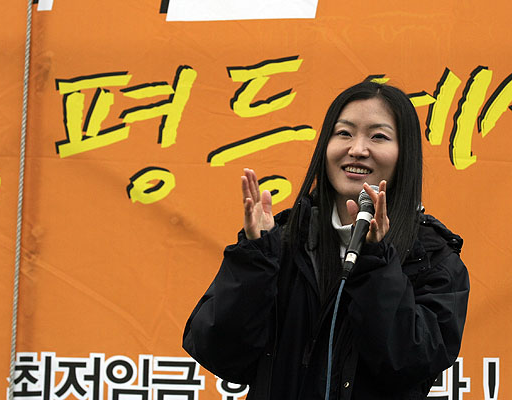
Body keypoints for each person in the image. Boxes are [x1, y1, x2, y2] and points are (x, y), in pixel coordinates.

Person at [183, 79, 470, 399]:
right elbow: (218, 351)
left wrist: (376, 261)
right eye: (344, 133)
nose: (357, 150)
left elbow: (410, 363)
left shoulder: (432, 257)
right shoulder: (285, 240)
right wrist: (255, 258)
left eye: (378, 136)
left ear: (405, 153)